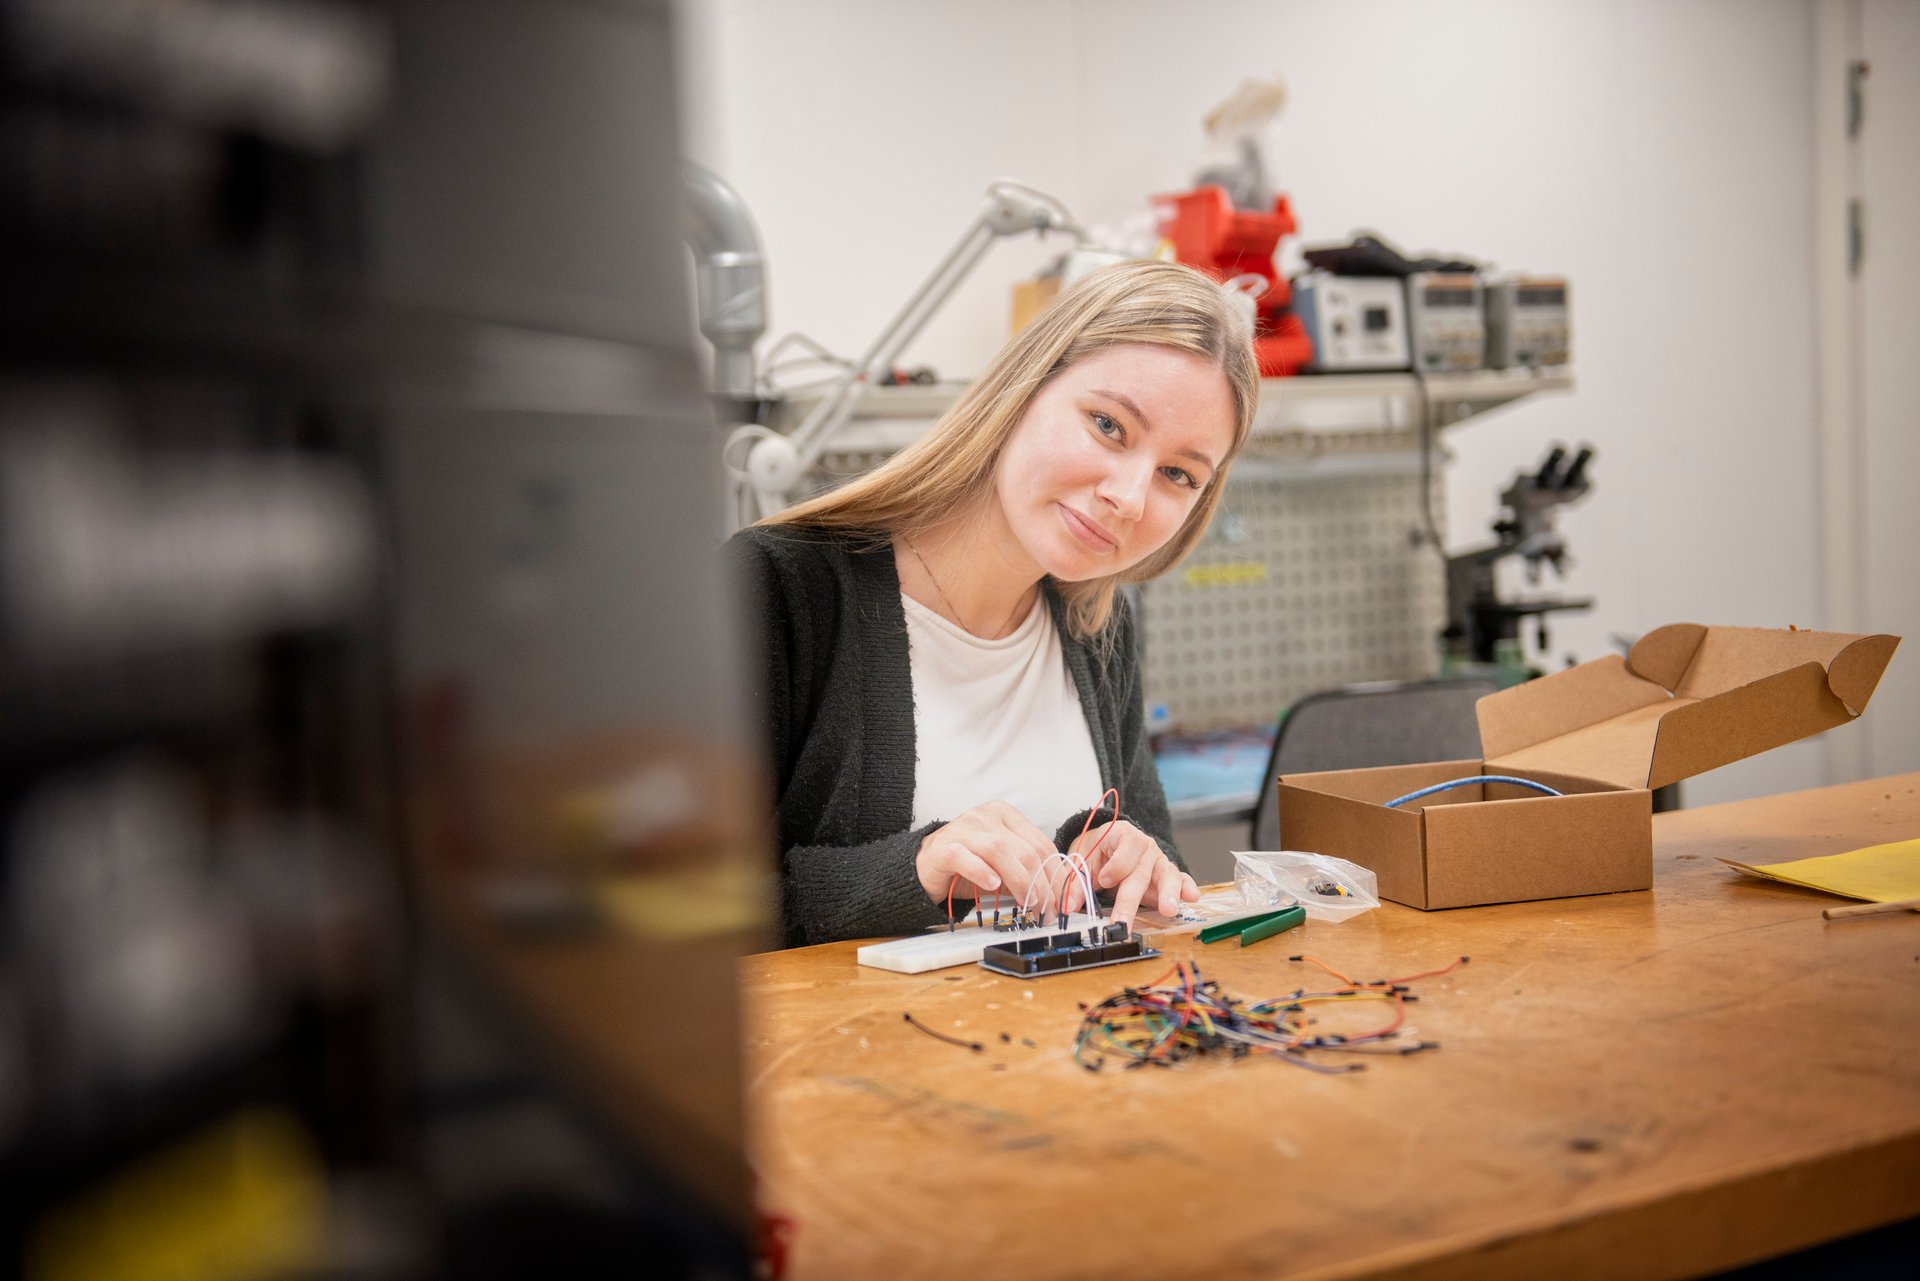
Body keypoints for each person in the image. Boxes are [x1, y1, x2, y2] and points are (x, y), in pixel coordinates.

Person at [729, 258, 1259, 947]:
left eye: (1177, 474)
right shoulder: (781, 587)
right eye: (1108, 425)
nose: (1128, 497)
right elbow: (665, 913)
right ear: (1024, 387)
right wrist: (914, 871)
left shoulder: (1101, 625)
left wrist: (1137, 868)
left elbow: (1158, 882)